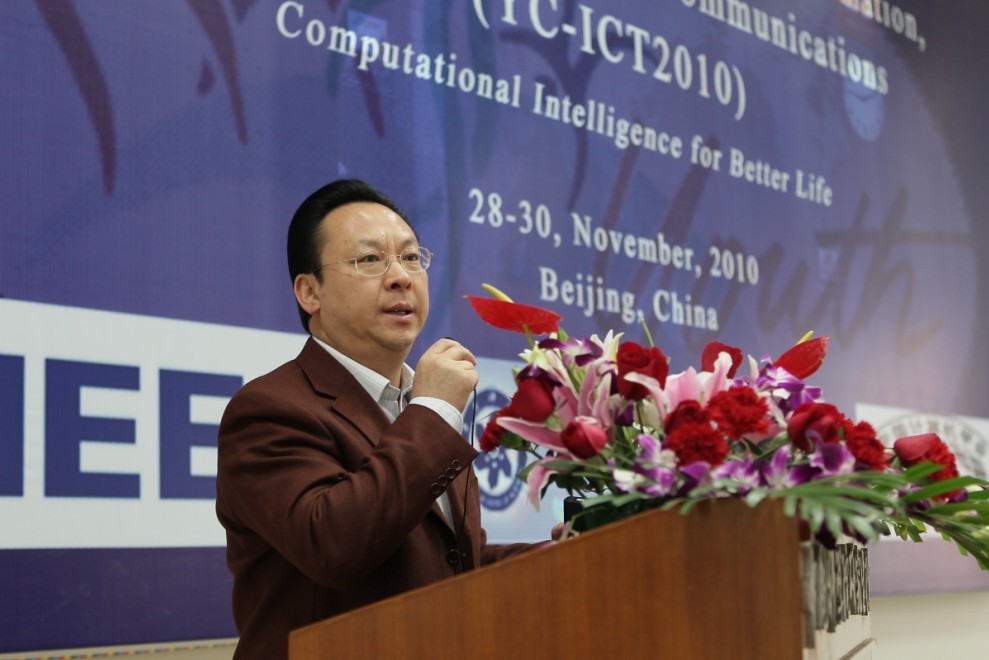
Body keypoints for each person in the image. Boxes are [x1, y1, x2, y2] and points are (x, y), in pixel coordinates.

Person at [215, 179, 537, 660]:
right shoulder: (268, 410)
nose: (401, 277)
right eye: (369, 259)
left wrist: (565, 552)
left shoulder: (425, 408)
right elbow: (334, 545)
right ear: (309, 292)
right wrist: (433, 412)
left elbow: (453, 567)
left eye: (410, 257)